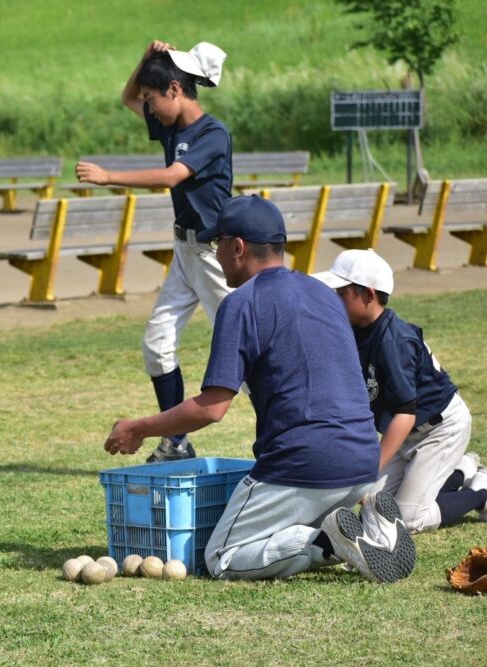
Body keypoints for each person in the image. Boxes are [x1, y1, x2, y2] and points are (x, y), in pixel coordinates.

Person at [102, 195, 416, 583]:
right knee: (281, 524)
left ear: (238, 248)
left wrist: (138, 427)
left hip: (305, 464)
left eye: (218, 245)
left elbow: (211, 408)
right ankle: (371, 526)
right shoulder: (326, 296)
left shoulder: (242, 304)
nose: (215, 256)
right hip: (363, 462)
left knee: (222, 556)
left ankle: (327, 544)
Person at [76, 40, 233, 463]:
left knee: (249, 354)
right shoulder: (169, 125)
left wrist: (109, 176)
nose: (147, 106)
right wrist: (145, 58)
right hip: (185, 251)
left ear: (176, 90)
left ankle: (286, 436)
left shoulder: (212, 133)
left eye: (153, 98)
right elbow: (127, 95)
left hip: (218, 259)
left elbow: (170, 177)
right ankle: (177, 442)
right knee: (157, 343)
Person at [313, 249, 487, 531]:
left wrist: (369, 470)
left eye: (341, 293)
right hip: (403, 431)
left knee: (406, 519)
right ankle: (460, 472)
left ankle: (481, 492)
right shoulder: (356, 328)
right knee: (369, 503)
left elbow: (406, 413)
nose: (334, 299)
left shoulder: (394, 341)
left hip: (439, 429)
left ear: (369, 295)